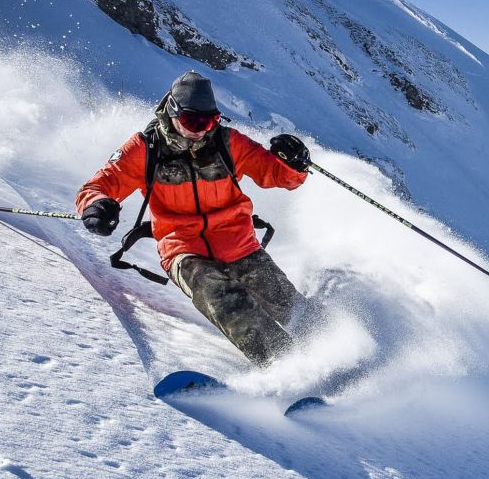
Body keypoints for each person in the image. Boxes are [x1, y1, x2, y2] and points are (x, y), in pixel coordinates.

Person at [77, 71, 314, 365]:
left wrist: (295, 163)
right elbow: (98, 186)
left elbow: (278, 175)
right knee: (224, 299)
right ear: (173, 112)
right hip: (183, 249)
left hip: (240, 244)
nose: (202, 130)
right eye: (193, 122)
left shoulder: (227, 143)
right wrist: (97, 206)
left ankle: (343, 352)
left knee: (289, 304)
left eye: (210, 121)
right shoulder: (145, 149)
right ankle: (292, 367)